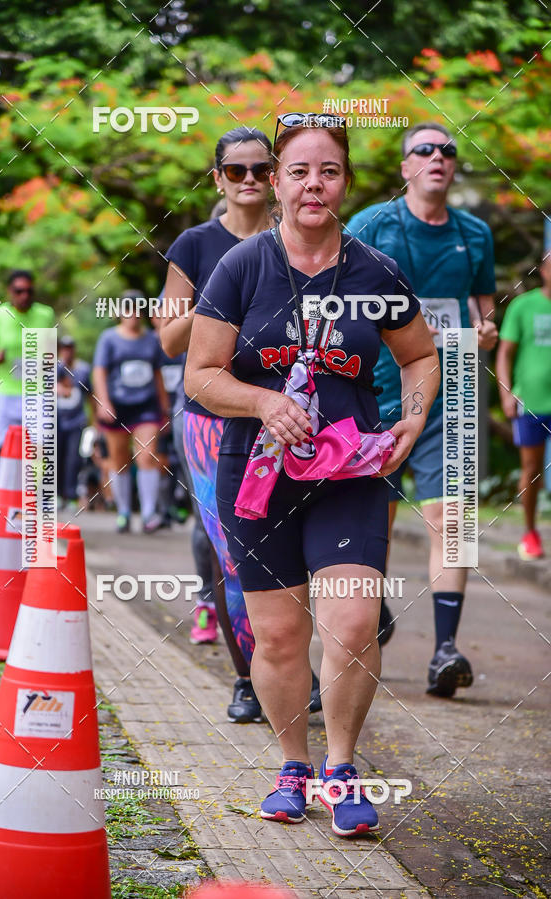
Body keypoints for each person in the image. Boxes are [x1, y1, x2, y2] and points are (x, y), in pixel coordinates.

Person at [186, 112, 440, 836]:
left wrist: (413, 419)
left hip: (353, 470)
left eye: (328, 170)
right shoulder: (241, 267)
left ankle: (340, 768)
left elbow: (420, 356)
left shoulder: (374, 270)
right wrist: (264, 400)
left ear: (348, 182)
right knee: (278, 637)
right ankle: (291, 765)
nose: (312, 184)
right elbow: (200, 376)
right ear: (274, 182)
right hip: (257, 472)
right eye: (297, 171)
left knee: (355, 622)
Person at [345, 121, 497, 698]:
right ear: (406, 166)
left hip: (452, 386)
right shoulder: (370, 225)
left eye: (448, 151)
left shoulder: (475, 233)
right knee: (374, 521)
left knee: (449, 521)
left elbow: (483, 307)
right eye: (424, 150)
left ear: (454, 168)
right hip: (378, 390)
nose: (438, 157)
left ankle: (446, 649)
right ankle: (372, 606)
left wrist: (485, 329)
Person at [160, 126, 275, 722]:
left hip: (289, 416)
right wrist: (220, 286)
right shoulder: (196, 244)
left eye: (260, 168)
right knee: (233, 552)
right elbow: (170, 337)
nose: (250, 180)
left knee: (293, 552)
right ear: (219, 179)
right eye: (237, 171)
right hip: (210, 419)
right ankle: (248, 680)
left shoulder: (297, 241)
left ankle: (291, 670)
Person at [92, 291, 169, 533]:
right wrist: (103, 402)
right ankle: (124, 511)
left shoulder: (151, 340)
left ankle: (148, 514)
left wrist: (164, 405)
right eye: (128, 309)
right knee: (119, 460)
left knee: (148, 455)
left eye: (137, 309)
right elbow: (99, 371)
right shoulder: (109, 339)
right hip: (117, 406)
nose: (133, 314)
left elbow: (157, 373)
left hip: (146, 407)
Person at [496, 253, 551, 559]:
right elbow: (505, 353)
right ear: (543, 271)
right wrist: (505, 392)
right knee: (532, 469)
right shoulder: (523, 306)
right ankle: (530, 533)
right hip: (532, 403)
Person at [0, 270, 55, 468]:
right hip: (4, 391)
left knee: (39, 446)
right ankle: (3, 495)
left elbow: (52, 347)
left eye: (29, 291)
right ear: (10, 291)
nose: (24, 296)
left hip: (37, 392)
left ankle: (36, 497)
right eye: (19, 291)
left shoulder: (46, 314)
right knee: (2, 446)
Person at [56, 335, 91, 510]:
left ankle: (70, 495)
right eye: (64, 348)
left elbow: (92, 395)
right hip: (56, 422)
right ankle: (56, 495)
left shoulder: (84, 370)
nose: (67, 351)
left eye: (69, 348)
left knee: (73, 458)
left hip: (76, 421)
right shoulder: (54, 369)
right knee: (56, 456)